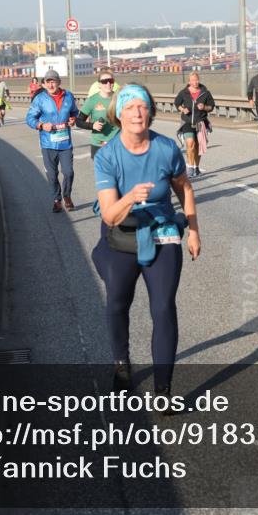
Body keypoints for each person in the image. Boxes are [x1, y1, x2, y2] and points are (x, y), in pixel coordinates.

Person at [91, 84, 201, 399]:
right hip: (120, 235)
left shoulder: (166, 149)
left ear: (150, 112)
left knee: (164, 308)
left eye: (143, 107)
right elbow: (110, 215)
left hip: (163, 233)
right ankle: (122, 364)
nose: (137, 113)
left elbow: (185, 188)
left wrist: (193, 229)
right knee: (117, 303)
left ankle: (163, 389)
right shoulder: (107, 155)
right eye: (130, 108)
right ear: (118, 114)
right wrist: (130, 197)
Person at [25, 69, 79, 212]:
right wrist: (41, 125)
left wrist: (73, 119)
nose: (51, 84)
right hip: (48, 143)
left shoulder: (68, 96)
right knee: (52, 174)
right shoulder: (40, 99)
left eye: (53, 81)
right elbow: (30, 118)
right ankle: (57, 199)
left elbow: (74, 112)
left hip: (65, 143)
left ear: (59, 82)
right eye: (48, 82)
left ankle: (66, 195)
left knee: (68, 172)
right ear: (44, 84)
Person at [174, 72, 215, 178]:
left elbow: (211, 106)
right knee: (190, 144)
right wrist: (183, 109)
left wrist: (204, 107)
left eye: (196, 80)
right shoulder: (184, 92)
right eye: (193, 80)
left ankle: (196, 167)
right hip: (187, 122)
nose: (195, 82)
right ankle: (190, 167)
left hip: (200, 122)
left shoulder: (205, 93)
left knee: (198, 146)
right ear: (189, 82)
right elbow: (177, 103)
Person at [77, 70, 119, 160]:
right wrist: (93, 125)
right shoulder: (92, 100)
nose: (108, 84)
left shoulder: (119, 98)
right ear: (99, 84)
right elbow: (79, 122)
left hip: (117, 143)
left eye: (111, 81)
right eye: (104, 82)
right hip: (99, 144)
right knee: (102, 173)